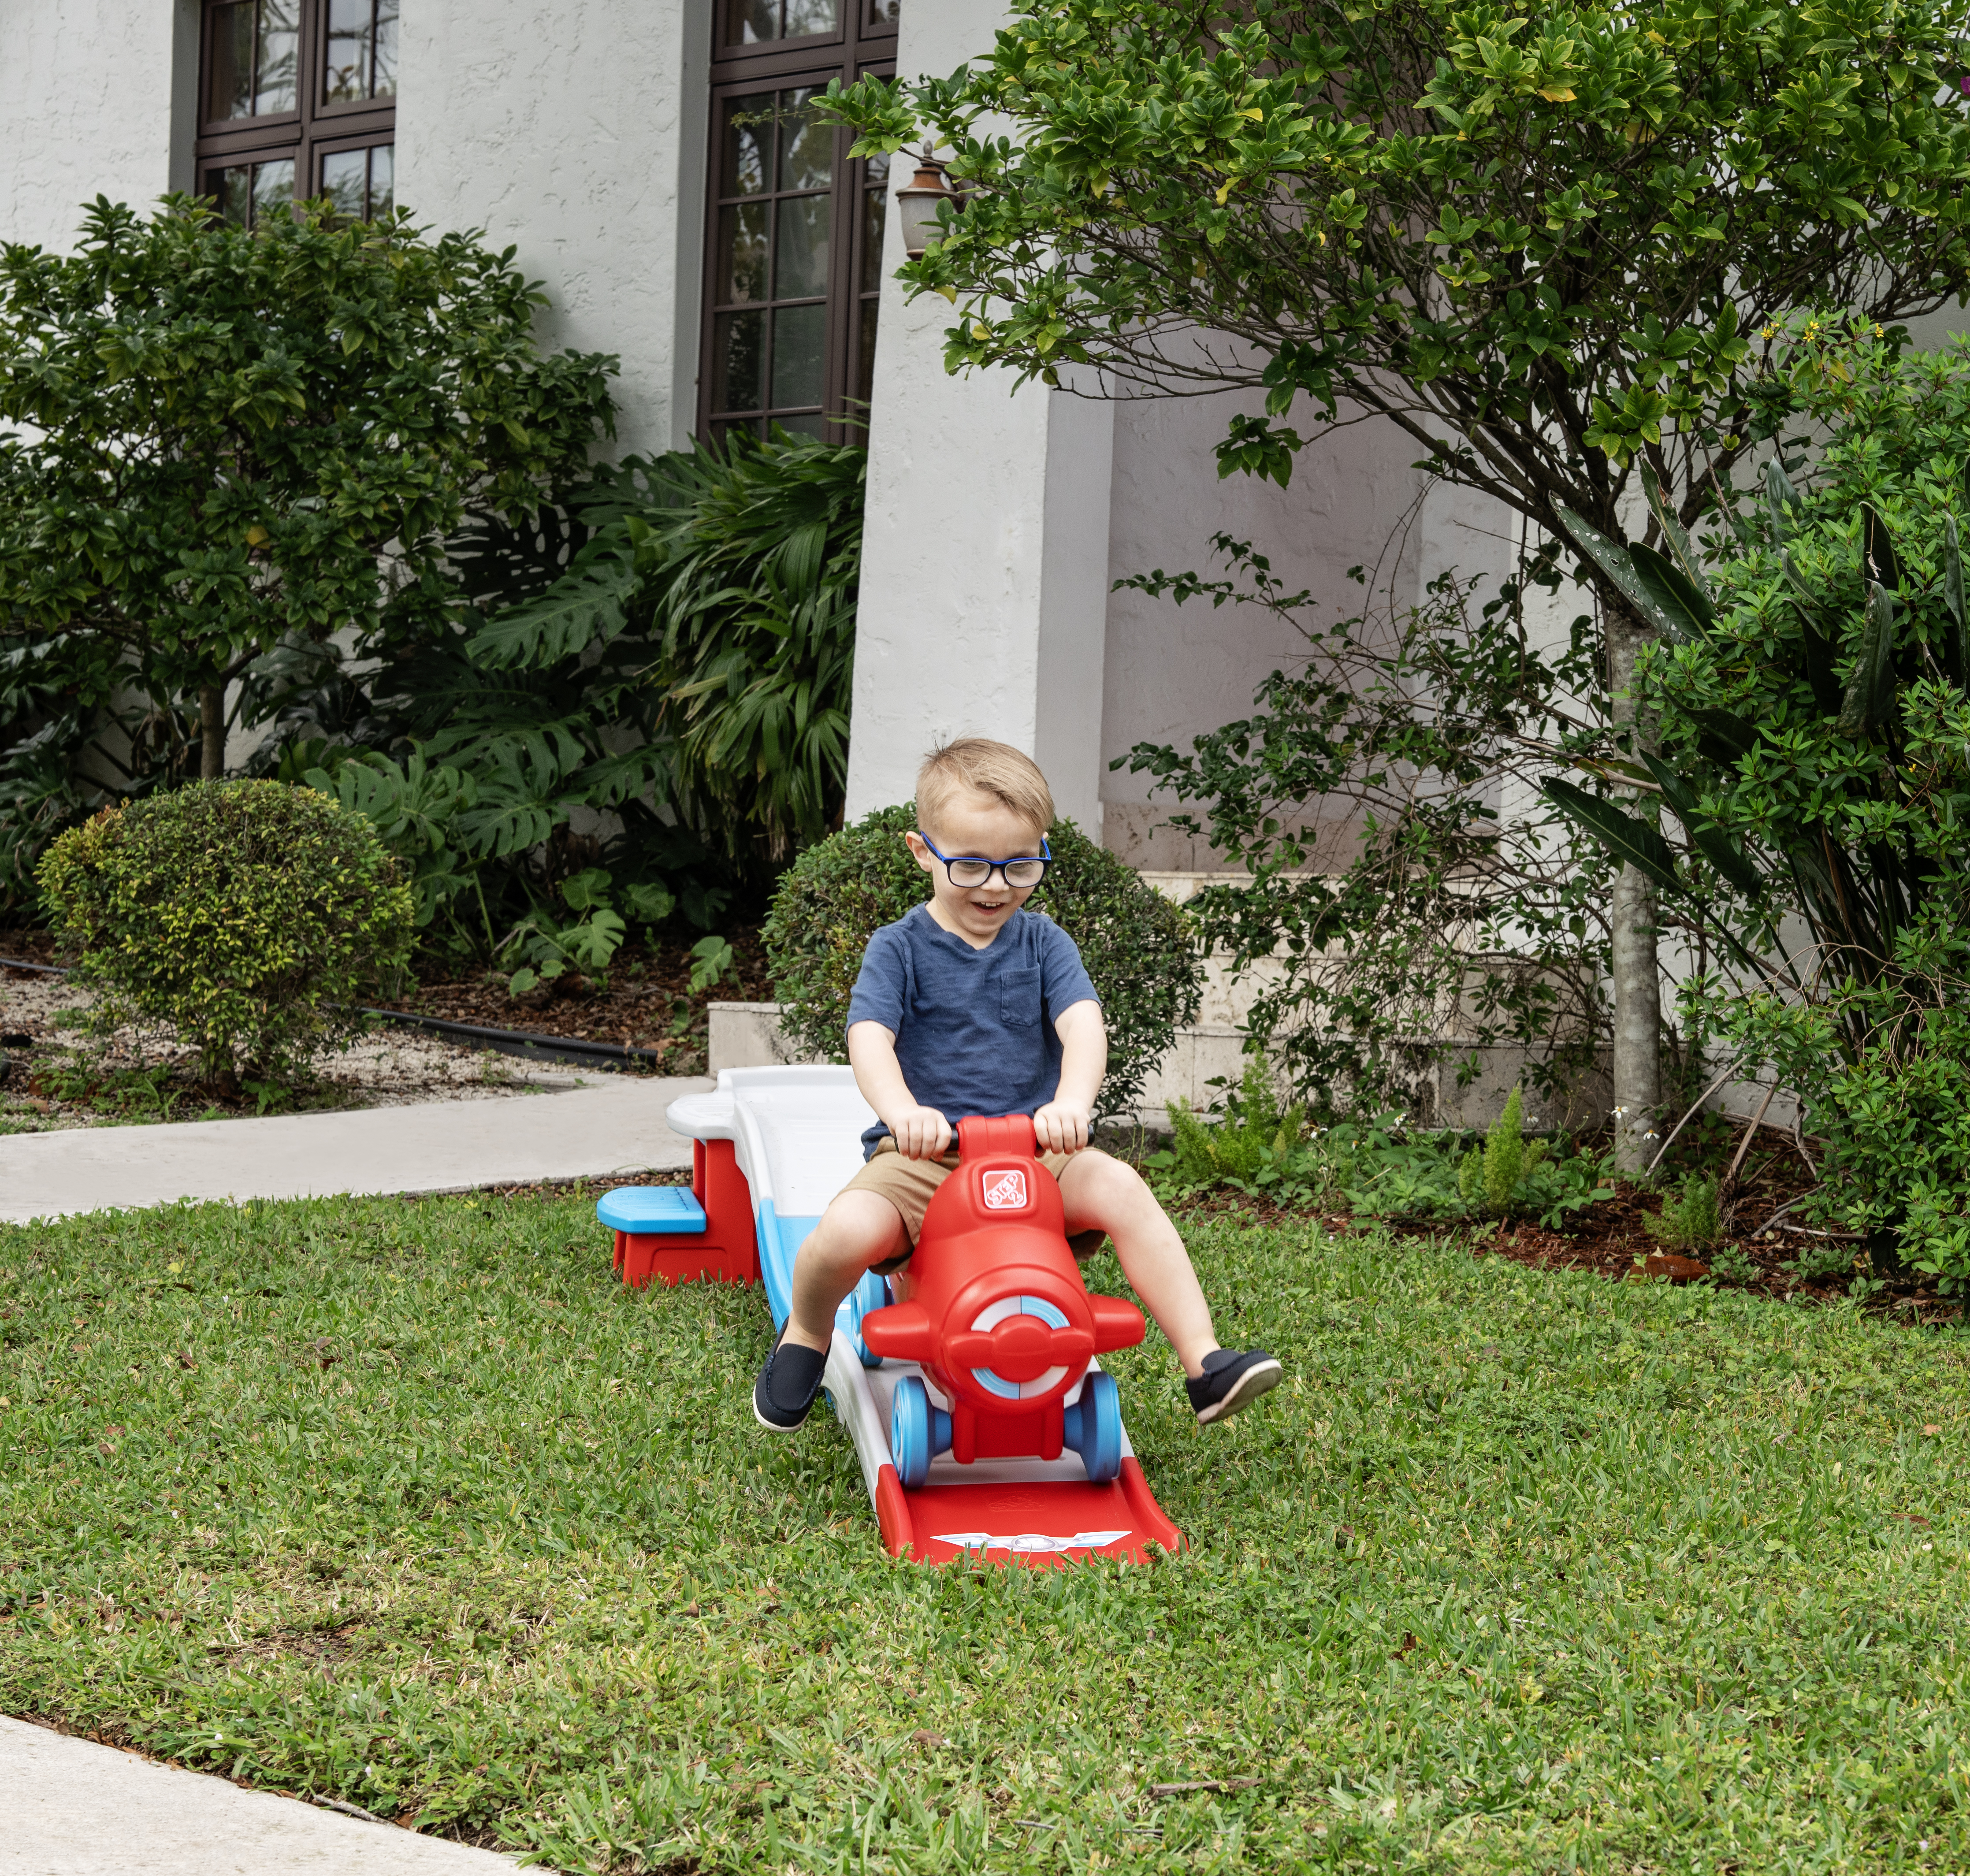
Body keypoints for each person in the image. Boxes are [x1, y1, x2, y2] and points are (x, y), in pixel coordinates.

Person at [753, 736, 1283, 1435]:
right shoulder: (899, 947)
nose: (996, 886)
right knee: (843, 1234)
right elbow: (870, 1038)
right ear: (922, 851)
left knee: (1121, 1186)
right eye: (970, 864)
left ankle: (1204, 1362)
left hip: (1035, 1154)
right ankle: (809, 1333)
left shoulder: (1043, 943)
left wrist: (1072, 1103)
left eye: (1020, 865)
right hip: (923, 1158)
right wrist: (902, 1111)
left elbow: (1083, 1023)